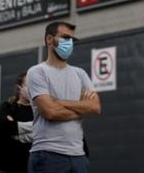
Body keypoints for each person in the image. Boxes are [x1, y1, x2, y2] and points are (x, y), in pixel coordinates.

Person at [27, 21, 101, 173]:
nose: (69, 44)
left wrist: (58, 102)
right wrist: (81, 107)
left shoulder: (79, 73)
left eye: (72, 40)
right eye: (65, 38)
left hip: (79, 155)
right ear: (49, 39)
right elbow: (50, 112)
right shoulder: (37, 72)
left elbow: (95, 107)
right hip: (47, 155)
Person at [0, 73, 34, 173]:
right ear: (19, 87)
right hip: (13, 163)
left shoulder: (38, 110)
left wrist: (17, 134)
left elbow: (46, 131)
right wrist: (35, 127)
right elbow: (5, 126)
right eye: (28, 85)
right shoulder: (8, 106)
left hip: (34, 163)